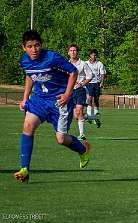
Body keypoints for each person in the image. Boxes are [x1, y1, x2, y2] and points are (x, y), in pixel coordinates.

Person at [14, 30, 91, 183]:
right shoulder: (24, 61)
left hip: (59, 101)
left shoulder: (52, 57)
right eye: (30, 46)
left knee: (61, 139)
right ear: (24, 47)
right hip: (39, 100)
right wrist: (24, 98)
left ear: (41, 45)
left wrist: (67, 95)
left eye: (37, 45)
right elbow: (29, 75)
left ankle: (83, 149)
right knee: (28, 126)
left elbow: (73, 72)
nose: (34, 49)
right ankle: (24, 169)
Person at [68, 44, 93, 141]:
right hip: (70, 91)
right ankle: (90, 117)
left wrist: (82, 84)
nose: (73, 52)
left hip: (80, 90)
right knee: (76, 115)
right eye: (71, 50)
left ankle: (82, 134)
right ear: (68, 52)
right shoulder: (66, 64)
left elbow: (89, 76)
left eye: (74, 50)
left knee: (78, 112)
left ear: (77, 52)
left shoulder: (83, 64)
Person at [85, 48, 106, 128]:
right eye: (93, 54)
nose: (94, 56)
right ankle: (89, 115)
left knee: (96, 99)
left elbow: (102, 73)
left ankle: (96, 114)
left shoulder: (99, 63)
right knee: (89, 98)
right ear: (90, 55)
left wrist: (102, 82)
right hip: (88, 83)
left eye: (95, 55)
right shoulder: (86, 63)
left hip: (96, 83)